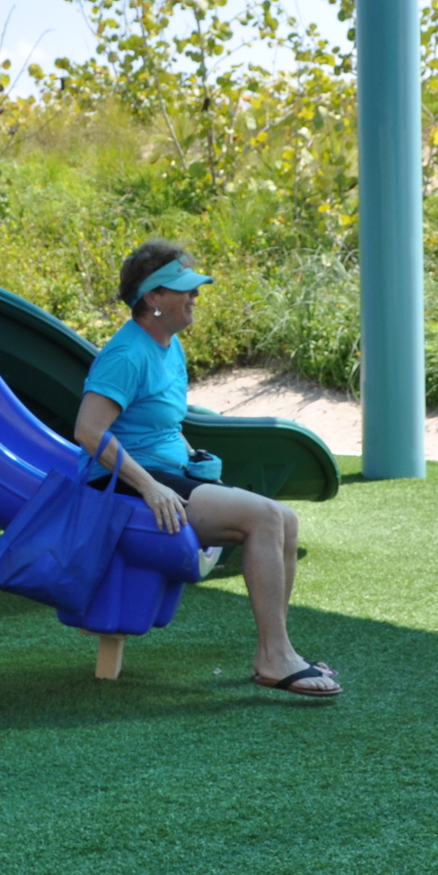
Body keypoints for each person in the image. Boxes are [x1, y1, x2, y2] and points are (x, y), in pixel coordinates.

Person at [74, 239, 337, 698]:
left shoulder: (168, 344)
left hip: (164, 473)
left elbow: (161, 423)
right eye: (184, 289)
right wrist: (151, 486)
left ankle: (276, 650)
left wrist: (194, 460)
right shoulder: (127, 354)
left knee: (286, 520)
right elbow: (90, 432)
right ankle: (274, 657)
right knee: (265, 516)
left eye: (196, 289)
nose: (195, 296)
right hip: (118, 485)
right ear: (152, 297)